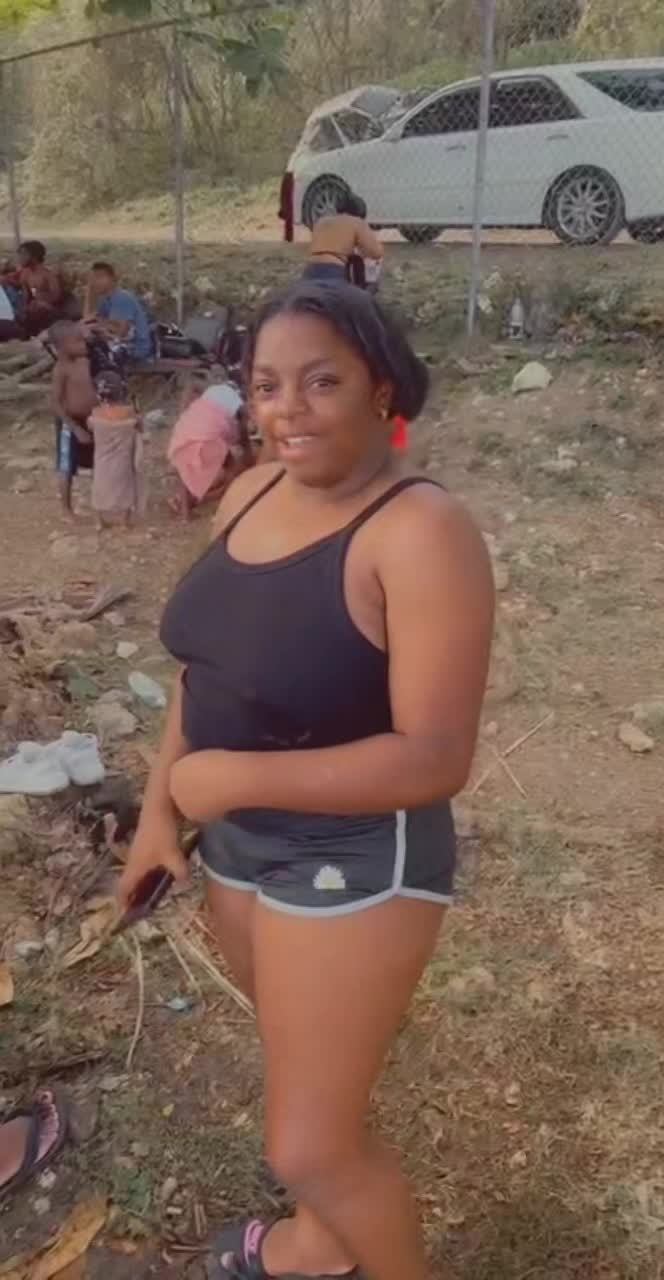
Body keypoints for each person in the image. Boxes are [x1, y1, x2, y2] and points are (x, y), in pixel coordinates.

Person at [118, 281, 494, 1280]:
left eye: (322, 381)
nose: (287, 409)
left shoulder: (419, 530)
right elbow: (204, 671)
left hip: (357, 855)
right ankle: (321, 1248)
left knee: (308, 1147)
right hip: (238, 844)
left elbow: (435, 755)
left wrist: (232, 776)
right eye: (267, 385)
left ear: (383, 389)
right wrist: (158, 813)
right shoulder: (249, 493)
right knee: (305, 1074)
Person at [167, 375, 254, 519]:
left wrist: (183, 408)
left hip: (181, 437)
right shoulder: (237, 403)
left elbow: (192, 385)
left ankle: (184, 511)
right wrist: (253, 468)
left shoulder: (212, 392)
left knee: (186, 474)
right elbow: (245, 441)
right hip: (207, 439)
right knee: (231, 475)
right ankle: (198, 502)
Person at [50, 320, 97, 517]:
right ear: (62, 347)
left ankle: (101, 503)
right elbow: (55, 403)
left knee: (98, 461)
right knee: (66, 466)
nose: (83, 344)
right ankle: (66, 508)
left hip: (92, 420)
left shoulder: (87, 362)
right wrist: (75, 428)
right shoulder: (61, 369)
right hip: (70, 423)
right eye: (77, 341)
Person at [88, 371, 144, 528]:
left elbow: (90, 426)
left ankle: (99, 521)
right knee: (125, 487)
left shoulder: (96, 413)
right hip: (122, 460)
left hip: (102, 461)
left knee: (99, 486)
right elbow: (140, 427)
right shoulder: (129, 412)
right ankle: (124, 521)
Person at [305, 191, 384, 284]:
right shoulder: (356, 222)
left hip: (309, 271)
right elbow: (376, 253)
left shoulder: (321, 222)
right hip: (332, 271)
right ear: (359, 213)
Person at [83, 263, 153, 363]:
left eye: (99, 277)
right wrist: (89, 292)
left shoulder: (121, 297)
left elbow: (120, 331)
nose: (95, 282)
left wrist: (97, 323)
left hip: (135, 348)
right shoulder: (106, 301)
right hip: (119, 345)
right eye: (93, 279)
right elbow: (87, 321)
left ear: (112, 279)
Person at [1, 241, 63, 337]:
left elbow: (56, 296)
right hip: (28, 308)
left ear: (34, 256)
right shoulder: (25, 273)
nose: (20, 258)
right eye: (19, 254)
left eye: (23, 254)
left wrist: (41, 301)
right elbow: (25, 294)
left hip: (46, 309)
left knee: (37, 308)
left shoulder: (47, 275)